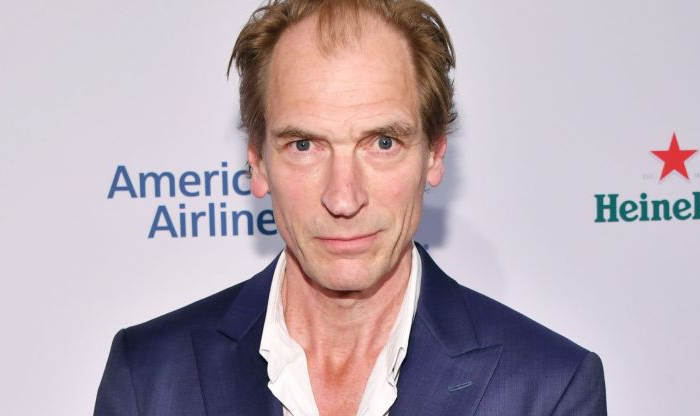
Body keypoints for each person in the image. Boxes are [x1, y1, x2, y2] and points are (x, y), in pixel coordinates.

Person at [94, 1, 607, 415]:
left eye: (382, 143)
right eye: (304, 145)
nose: (343, 198)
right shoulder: (148, 378)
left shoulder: (547, 389)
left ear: (434, 154)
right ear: (257, 163)